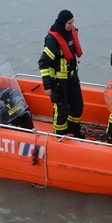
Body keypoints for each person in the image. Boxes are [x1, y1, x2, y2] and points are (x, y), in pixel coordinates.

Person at [38, 10, 84, 138]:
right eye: (69, 23)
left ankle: (74, 130)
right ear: (63, 22)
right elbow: (44, 63)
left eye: (72, 22)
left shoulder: (70, 34)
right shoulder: (53, 40)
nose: (71, 25)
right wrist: (47, 86)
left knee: (77, 106)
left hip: (72, 78)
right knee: (62, 110)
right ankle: (60, 136)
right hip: (58, 81)